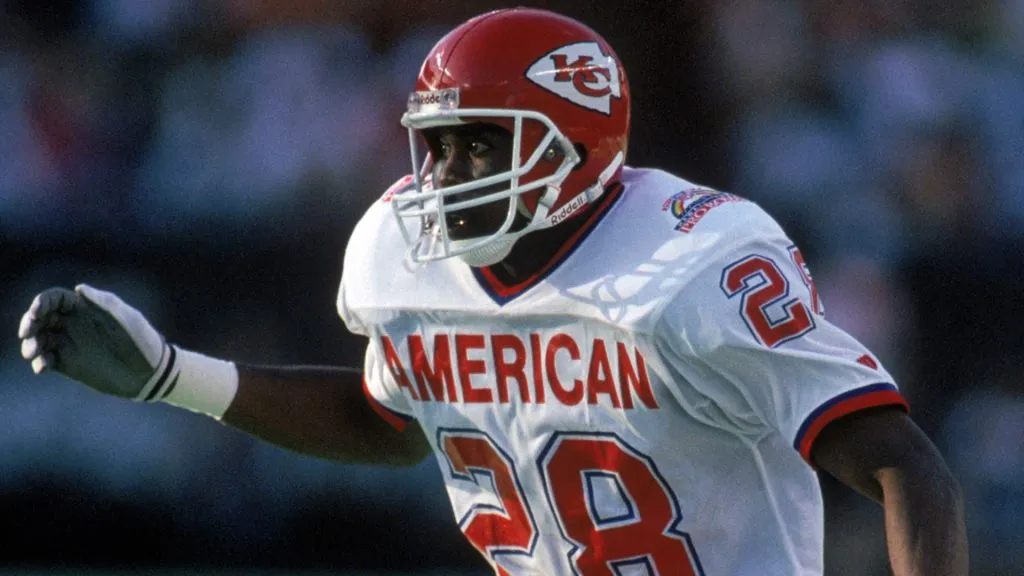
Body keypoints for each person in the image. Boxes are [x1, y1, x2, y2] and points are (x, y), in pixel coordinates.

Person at [18, 7, 968, 575]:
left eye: (480, 143)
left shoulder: (692, 266)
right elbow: (394, 423)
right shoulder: (401, 253)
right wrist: (174, 377)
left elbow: (902, 463)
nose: (444, 174)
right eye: (436, 145)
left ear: (577, 139)